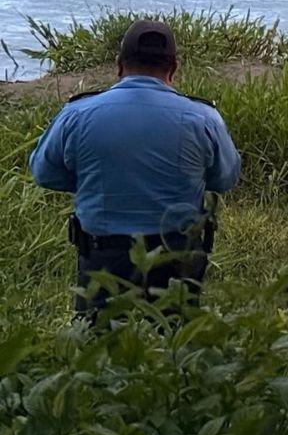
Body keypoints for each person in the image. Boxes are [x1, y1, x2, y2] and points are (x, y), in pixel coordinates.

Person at [28, 20, 241, 319]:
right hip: (176, 255)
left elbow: (44, 173)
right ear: (173, 69)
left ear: (119, 66)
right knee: (172, 337)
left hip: (103, 256)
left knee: (99, 339)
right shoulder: (204, 118)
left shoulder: (77, 114)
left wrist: (96, 180)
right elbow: (225, 178)